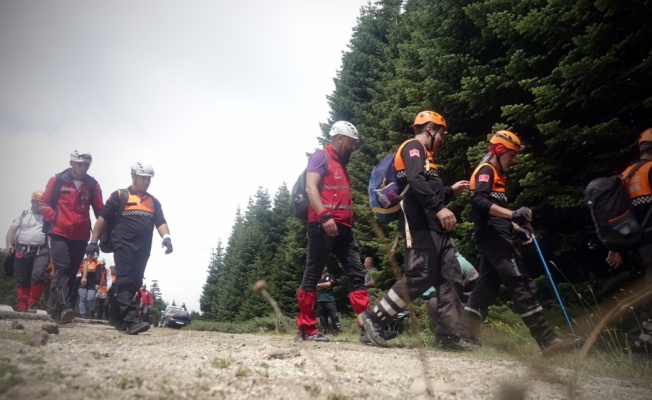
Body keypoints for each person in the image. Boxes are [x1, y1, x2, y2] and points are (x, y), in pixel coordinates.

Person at [358, 110, 474, 350]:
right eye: (441, 133)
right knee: (420, 275)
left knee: (450, 276)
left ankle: (448, 335)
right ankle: (373, 319)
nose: (442, 138)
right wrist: (440, 208)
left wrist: (450, 191)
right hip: (419, 225)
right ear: (430, 128)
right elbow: (414, 180)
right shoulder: (414, 147)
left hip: (436, 226)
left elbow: (427, 188)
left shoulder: (427, 158)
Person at [458, 130, 576, 356]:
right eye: (511, 155)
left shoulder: (497, 175)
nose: (515, 159)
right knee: (520, 282)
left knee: (486, 288)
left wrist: (517, 228)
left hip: (495, 235)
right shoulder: (486, 171)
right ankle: (549, 342)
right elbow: (480, 202)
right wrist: (513, 215)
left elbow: (494, 213)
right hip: (493, 238)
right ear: (500, 151)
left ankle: (463, 335)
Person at [295, 121, 370, 342]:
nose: (354, 148)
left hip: (344, 230)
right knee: (312, 274)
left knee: (357, 274)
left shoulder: (341, 164)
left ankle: (368, 327)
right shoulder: (321, 157)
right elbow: (311, 187)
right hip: (322, 226)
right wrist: (324, 216)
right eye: (351, 143)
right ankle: (306, 329)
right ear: (339, 138)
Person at [86, 162, 172, 335]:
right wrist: (93, 242)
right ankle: (132, 320)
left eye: (149, 179)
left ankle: (116, 317)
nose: (146, 182)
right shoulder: (119, 195)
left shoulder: (153, 202)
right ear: (133, 176)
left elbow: (160, 222)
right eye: (143, 178)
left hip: (143, 248)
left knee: (135, 282)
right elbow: (102, 219)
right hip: (122, 244)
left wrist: (167, 238)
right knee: (125, 279)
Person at [39, 150, 104, 324]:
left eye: (87, 165)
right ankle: (67, 307)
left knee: (71, 271)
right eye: (80, 164)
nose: (83, 168)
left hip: (81, 235)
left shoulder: (93, 185)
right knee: (62, 268)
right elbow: (43, 203)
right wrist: (54, 218)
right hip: (59, 232)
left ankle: (55, 309)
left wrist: (104, 231)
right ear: (72, 163)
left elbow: (100, 211)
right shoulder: (57, 180)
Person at [606, 128, 652, 356]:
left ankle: (640, 344)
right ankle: (637, 345)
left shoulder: (627, 174)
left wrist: (616, 247)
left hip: (640, 244)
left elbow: (620, 213)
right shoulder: (651, 169)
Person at [4, 190, 49, 312]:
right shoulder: (23, 214)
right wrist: (8, 244)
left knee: (38, 274)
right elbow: (12, 230)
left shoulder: (47, 216)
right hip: (23, 248)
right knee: (23, 277)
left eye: (42, 203)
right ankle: (22, 305)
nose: (40, 205)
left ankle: (33, 303)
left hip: (42, 249)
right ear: (32, 202)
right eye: (38, 202)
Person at [315, 266, 341, 334]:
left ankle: (337, 330)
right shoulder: (317, 277)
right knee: (322, 316)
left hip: (329, 299)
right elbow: (315, 286)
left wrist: (319, 285)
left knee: (334, 315)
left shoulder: (330, 276)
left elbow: (328, 284)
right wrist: (324, 286)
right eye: (322, 266)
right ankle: (325, 330)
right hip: (319, 300)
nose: (324, 267)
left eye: (325, 266)